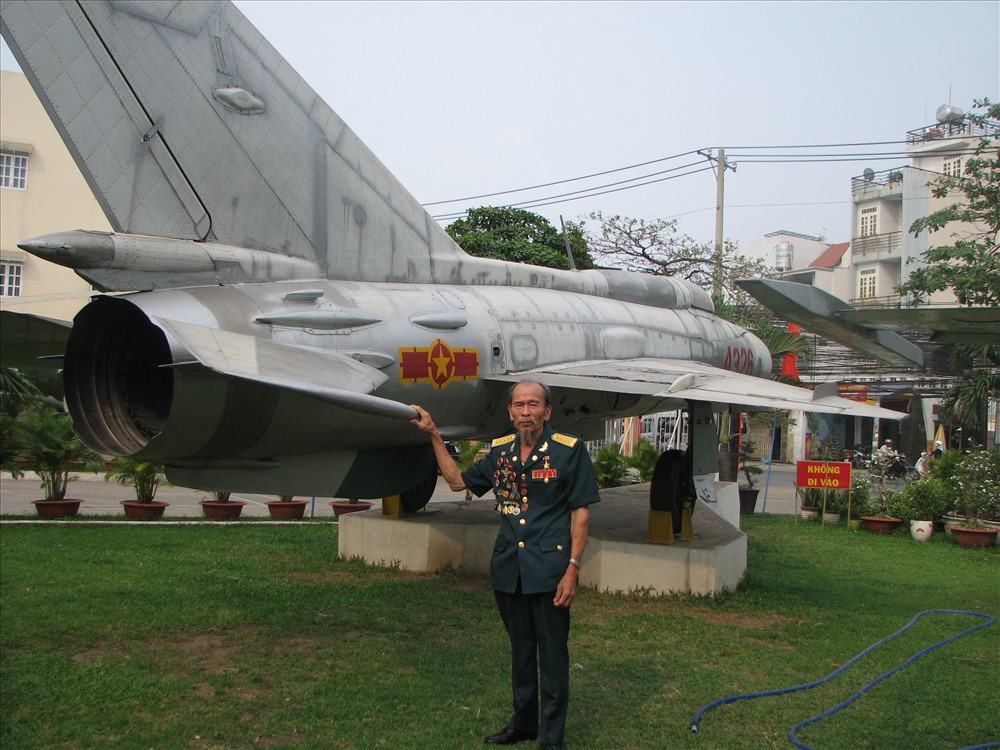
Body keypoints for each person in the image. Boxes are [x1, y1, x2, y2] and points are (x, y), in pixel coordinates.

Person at [410, 380, 601, 750]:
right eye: (518, 405)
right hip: (509, 570)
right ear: (510, 412)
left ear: (547, 411)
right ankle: (524, 724)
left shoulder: (568, 452)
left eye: (533, 405)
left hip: (550, 570)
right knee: (522, 651)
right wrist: (434, 434)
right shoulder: (499, 453)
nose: (525, 412)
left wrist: (573, 568)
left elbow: (580, 515)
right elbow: (455, 481)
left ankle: (552, 738)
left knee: (553, 655)